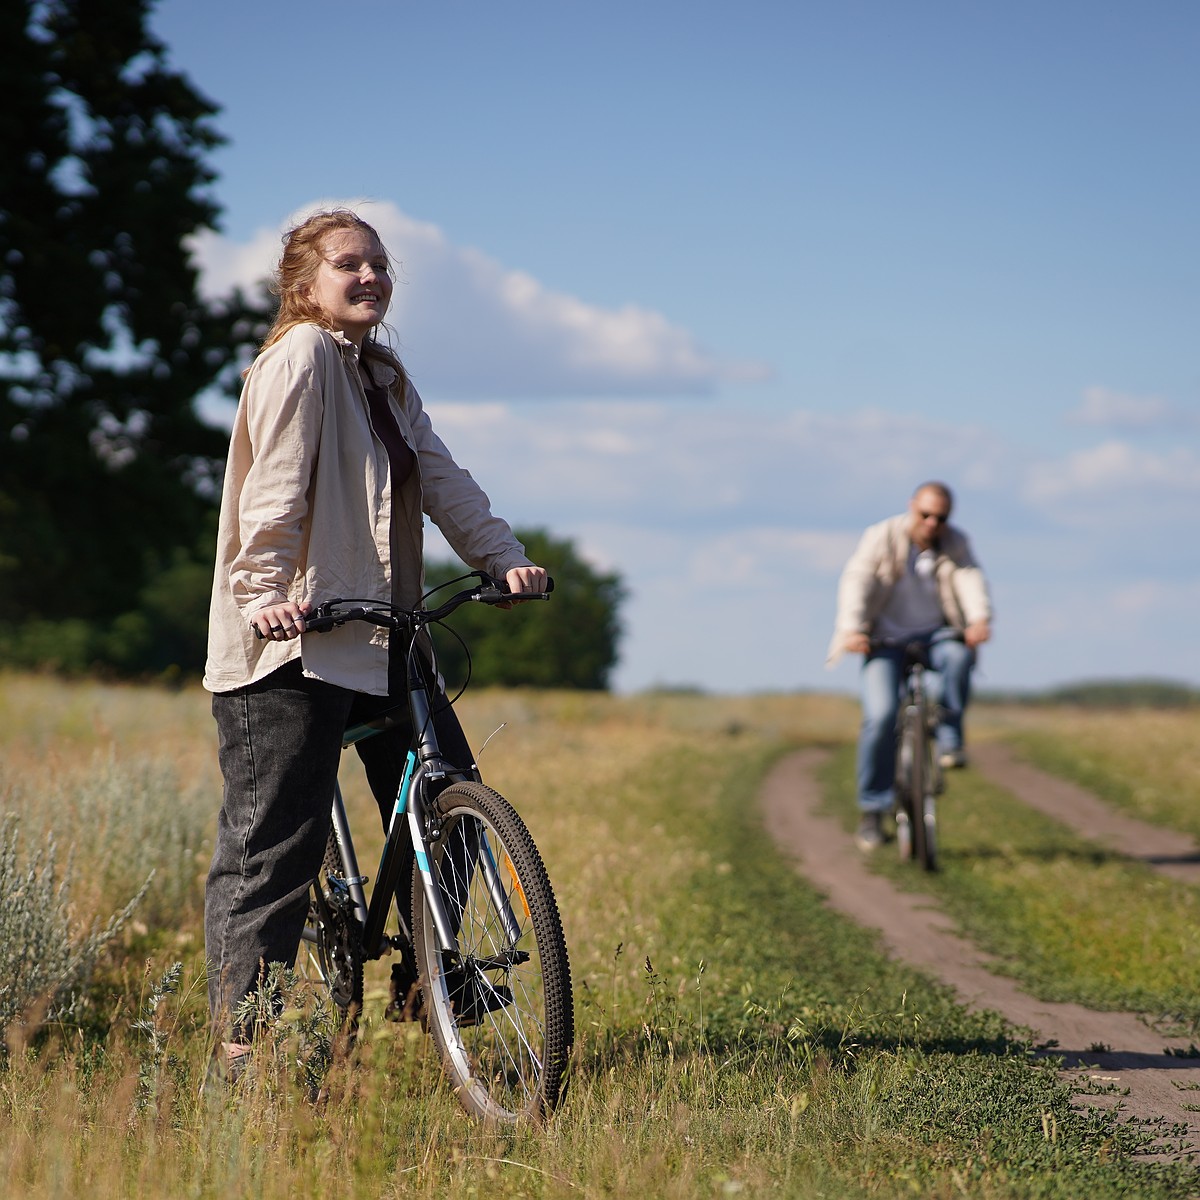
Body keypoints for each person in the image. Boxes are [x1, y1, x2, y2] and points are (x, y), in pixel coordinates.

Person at [202, 208, 547, 1080]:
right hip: (293, 643)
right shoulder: (304, 358)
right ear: (304, 284)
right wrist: (264, 594)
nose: (368, 278)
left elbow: (440, 476)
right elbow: (272, 492)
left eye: (379, 265)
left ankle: (435, 980)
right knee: (273, 848)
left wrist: (502, 558)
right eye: (348, 265)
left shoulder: (381, 375)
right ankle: (244, 1048)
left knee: (456, 805)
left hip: (382, 636)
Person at [827, 482, 992, 852]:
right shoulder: (881, 537)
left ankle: (950, 738)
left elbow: (970, 579)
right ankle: (873, 809)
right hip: (883, 641)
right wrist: (852, 628)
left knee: (959, 657)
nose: (933, 523)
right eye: (926, 514)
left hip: (937, 636)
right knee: (881, 716)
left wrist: (979, 619)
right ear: (911, 508)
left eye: (941, 517)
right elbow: (858, 579)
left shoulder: (955, 542)